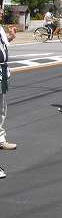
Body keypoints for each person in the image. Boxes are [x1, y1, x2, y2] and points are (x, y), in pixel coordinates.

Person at [0, 8, 17, 153]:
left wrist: (10, 37)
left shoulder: (0, 28)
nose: (1, 12)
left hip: (2, 70)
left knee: (1, 106)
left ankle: (0, 138)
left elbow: (3, 46)